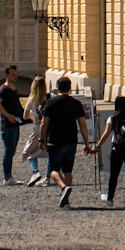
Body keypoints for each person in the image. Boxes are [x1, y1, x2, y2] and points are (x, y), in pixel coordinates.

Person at [40, 76, 92, 210]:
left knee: (53, 170)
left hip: (55, 140)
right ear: (70, 88)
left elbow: (44, 122)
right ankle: (66, 200)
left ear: (57, 87)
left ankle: (64, 188)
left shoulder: (51, 103)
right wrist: (87, 143)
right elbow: (83, 125)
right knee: (68, 170)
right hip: (71, 140)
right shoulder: (76, 103)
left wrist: (41, 139)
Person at [97, 93, 125, 209]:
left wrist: (98, 146)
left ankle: (110, 199)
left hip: (117, 148)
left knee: (114, 175)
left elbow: (106, 134)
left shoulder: (113, 118)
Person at [0, 64, 27, 185]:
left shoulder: (14, 90)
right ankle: (7, 177)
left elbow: (18, 107)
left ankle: (9, 176)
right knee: (8, 151)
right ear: (7, 75)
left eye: (16, 74)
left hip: (15, 125)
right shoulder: (4, 89)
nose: (15, 76)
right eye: (12, 74)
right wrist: (8, 116)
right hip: (7, 126)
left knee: (12, 151)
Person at [21, 74, 49, 185]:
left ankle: (35, 171)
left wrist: (32, 117)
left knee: (29, 151)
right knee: (49, 151)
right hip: (48, 127)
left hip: (38, 126)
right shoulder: (48, 98)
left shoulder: (32, 100)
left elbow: (25, 116)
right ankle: (48, 175)